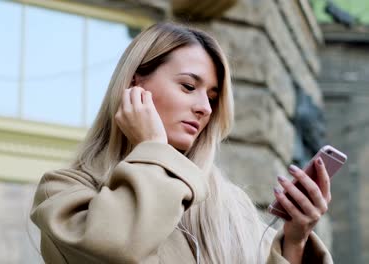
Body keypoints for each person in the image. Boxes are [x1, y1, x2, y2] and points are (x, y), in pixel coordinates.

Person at [30, 22, 333, 264]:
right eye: (189, 86)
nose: (205, 108)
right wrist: (153, 150)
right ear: (136, 84)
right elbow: (114, 249)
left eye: (212, 97)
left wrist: (295, 241)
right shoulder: (65, 196)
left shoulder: (231, 209)